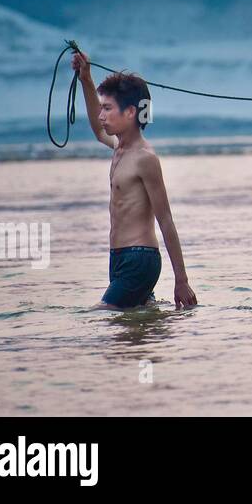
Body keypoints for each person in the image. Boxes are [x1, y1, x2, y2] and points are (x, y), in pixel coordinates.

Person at [71, 52, 198, 310]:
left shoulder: (145, 158)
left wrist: (181, 280)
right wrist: (85, 78)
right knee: (132, 335)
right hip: (118, 259)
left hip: (139, 259)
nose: (101, 115)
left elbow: (166, 219)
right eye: (102, 108)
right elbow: (97, 131)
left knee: (98, 314)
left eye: (107, 108)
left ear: (130, 112)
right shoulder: (119, 148)